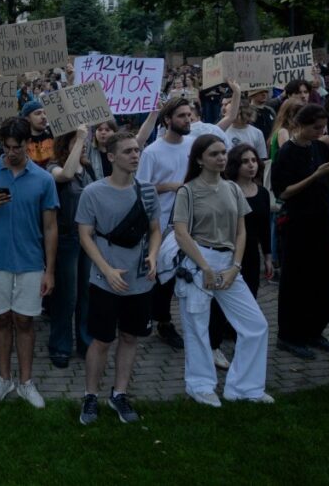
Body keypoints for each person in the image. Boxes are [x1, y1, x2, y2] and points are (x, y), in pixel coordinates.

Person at [174, 135, 272, 406]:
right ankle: (200, 385)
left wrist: (235, 266)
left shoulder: (232, 188)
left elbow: (241, 230)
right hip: (197, 262)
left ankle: (245, 387)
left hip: (229, 262)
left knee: (256, 325)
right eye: (214, 154)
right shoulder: (188, 191)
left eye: (223, 153)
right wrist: (204, 267)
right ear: (199, 159)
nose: (221, 158)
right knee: (197, 328)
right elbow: (181, 233)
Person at [0, 117, 59, 408]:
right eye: (6, 147)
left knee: (25, 321)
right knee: (1, 320)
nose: (11, 153)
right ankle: (4, 377)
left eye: (17, 147)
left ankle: (26, 382)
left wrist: (51, 270)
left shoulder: (44, 179)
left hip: (31, 262)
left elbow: (50, 228)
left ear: (28, 145)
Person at [76, 131, 161, 424]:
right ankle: (90, 395)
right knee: (101, 339)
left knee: (130, 336)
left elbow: (155, 229)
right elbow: (85, 235)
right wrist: (106, 269)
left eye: (137, 150)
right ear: (111, 157)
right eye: (128, 151)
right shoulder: (93, 192)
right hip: (104, 280)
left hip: (139, 279)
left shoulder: (147, 190)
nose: (135, 155)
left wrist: (153, 255)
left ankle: (119, 394)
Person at [271, 104, 329, 359]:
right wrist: (315, 176)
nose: (320, 132)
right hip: (298, 224)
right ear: (300, 125)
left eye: (322, 128)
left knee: (322, 278)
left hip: (321, 222)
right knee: (297, 280)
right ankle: (289, 335)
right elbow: (283, 192)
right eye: (315, 128)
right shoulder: (287, 153)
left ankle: (314, 329)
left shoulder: (319, 148)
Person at [136, 97, 193, 350]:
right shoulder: (152, 152)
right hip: (161, 224)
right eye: (181, 116)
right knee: (160, 276)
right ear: (168, 120)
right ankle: (161, 321)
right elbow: (140, 189)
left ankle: (171, 320)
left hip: (190, 221)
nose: (187, 120)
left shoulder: (193, 145)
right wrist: (168, 186)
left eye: (189, 115)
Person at [209, 144, 272, 369]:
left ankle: (242, 344)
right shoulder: (226, 190)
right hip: (227, 254)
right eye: (245, 161)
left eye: (254, 160)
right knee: (218, 302)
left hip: (251, 256)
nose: (251, 165)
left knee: (249, 300)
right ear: (236, 165)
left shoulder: (262, 192)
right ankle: (213, 345)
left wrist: (267, 254)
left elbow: (265, 227)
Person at [47, 126, 90, 369]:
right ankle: (60, 345)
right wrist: (80, 138)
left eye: (84, 140)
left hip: (89, 239)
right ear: (67, 142)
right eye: (77, 140)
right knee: (67, 295)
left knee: (86, 293)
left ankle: (85, 342)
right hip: (67, 239)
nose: (84, 143)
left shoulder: (90, 167)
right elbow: (66, 175)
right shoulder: (52, 166)